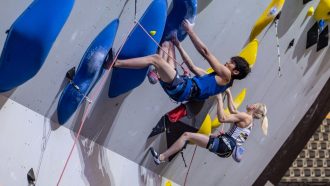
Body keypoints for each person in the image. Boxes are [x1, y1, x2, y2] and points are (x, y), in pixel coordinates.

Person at [112, 20, 251, 102]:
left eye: (231, 63)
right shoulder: (217, 81)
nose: (227, 62)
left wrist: (190, 31)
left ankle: (116, 63)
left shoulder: (226, 76)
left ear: (236, 71)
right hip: (181, 89)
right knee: (168, 45)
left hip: (182, 87)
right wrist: (179, 46)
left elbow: (206, 53)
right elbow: (192, 67)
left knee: (156, 59)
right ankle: (157, 74)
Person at [149, 89, 269, 165]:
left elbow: (222, 118)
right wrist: (228, 92)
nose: (251, 103)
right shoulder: (249, 121)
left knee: (186, 136)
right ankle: (165, 155)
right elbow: (233, 109)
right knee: (190, 137)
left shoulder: (246, 117)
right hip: (226, 147)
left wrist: (219, 99)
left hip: (224, 144)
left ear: (254, 108)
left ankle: (161, 157)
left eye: (254, 104)